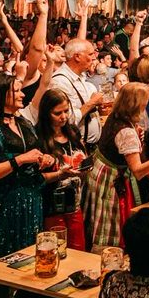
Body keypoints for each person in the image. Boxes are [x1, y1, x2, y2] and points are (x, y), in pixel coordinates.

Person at [0, 73, 55, 261]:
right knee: (7, 258)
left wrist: (44, 159)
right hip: (5, 203)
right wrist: (20, 160)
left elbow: (34, 153)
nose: (22, 94)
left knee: (31, 256)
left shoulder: (23, 122)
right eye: (16, 91)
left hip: (32, 198)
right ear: (1, 96)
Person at [85, 82, 149, 249]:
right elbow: (138, 171)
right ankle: (110, 254)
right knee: (110, 222)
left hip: (99, 173)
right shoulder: (126, 132)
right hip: (111, 182)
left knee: (96, 218)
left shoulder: (115, 116)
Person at [34, 88, 88, 251]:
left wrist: (85, 166)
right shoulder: (38, 137)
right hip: (52, 206)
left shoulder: (72, 131)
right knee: (57, 250)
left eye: (66, 111)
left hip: (75, 203)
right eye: (57, 113)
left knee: (79, 251)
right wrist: (60, 174)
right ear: (46, 113)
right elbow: (36, 178)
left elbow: (83, 156)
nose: (63, 117)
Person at [51, 38, 104, 151]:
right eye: (90, 54)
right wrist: (92, 102)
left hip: (90, 146)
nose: (94, 57)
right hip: (75, 147)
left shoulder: (80, 76)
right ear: (77, 57)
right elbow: (66, 119)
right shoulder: (60, 81)